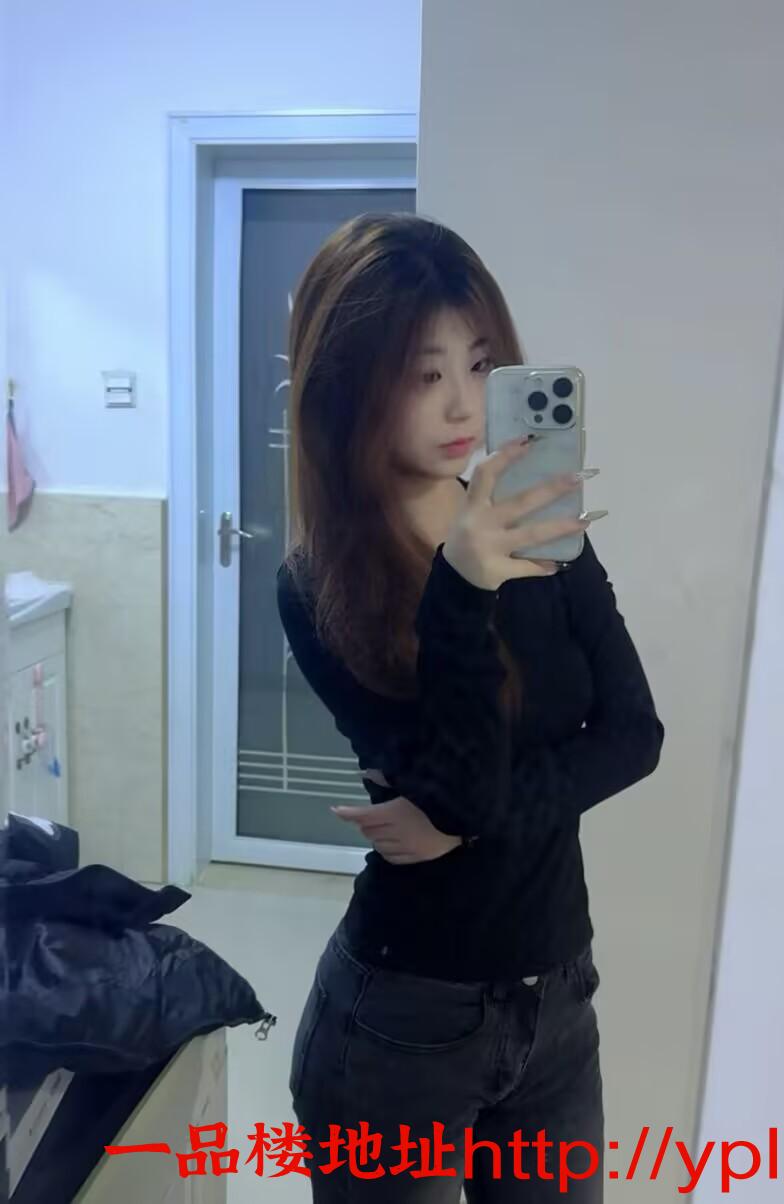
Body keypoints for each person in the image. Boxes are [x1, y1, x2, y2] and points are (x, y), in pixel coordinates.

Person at [276, 212, 665, 1202]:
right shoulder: (320, 585)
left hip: (557, 997)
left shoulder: (539, 525)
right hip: (402, 1021)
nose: (463, 402)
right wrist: (460, 586)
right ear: (351, 382)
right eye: (424, 373)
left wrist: (463, 827)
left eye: (480, 362)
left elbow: (635, 736)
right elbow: (467, 789)